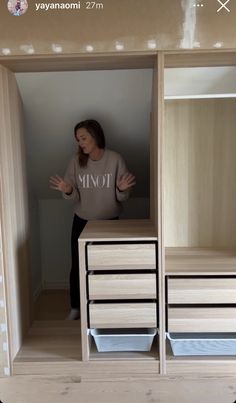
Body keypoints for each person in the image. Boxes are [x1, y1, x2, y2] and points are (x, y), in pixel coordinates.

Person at [49, 119, 136, 320]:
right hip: (82, 221)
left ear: (95, 136)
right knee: (78, 265)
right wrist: (68, 189)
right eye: (78, 139)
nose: (80, 142)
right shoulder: (76, 161)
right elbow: (73, 194)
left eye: (83, 138)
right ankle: (76, 307)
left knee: (107, 266)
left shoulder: (115, 159)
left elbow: (124, 195)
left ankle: (105, 305)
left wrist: (122, 189)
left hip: (109, 222)